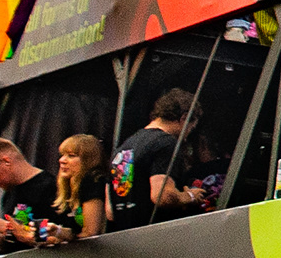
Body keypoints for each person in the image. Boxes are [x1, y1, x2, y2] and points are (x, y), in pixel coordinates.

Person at [114, 90, 212, 228]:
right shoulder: (166, 143)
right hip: (155, 235)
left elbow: (109, 211)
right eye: (191, 127)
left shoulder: (123, 148)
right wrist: (189, 196)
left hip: (124, 234)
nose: (188, 134)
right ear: (184, 118)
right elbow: (162, 196)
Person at [44, 135, 110, 245]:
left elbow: (91, 232)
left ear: (88, 160)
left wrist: (65, 235)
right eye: (62, 155)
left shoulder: (93, 180)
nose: (62, 160)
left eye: (71, 156)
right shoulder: (69, 187)